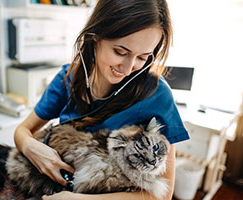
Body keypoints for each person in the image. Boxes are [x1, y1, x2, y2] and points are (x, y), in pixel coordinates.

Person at [14, 0, 189, 199]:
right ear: (95, 37)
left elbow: (161, 196)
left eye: (143, 57)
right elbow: (23, 130)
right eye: (120, 52)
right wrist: (31, 148)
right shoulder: (69, 77)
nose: (128, 68)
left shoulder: (157, 96)